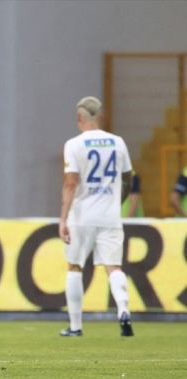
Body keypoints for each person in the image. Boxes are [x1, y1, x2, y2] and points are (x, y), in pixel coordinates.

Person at [59, 96, 134, 337]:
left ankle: (75, 326)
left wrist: (63, 218)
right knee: (114, 267)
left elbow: (71, 183)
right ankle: (123, 310)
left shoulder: (74, 144)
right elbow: (128, 178)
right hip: (110, 216)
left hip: (81, 216)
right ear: (101, 117)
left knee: (75, 266)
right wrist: (116, 202)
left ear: (78, 117)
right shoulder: (118, 143)